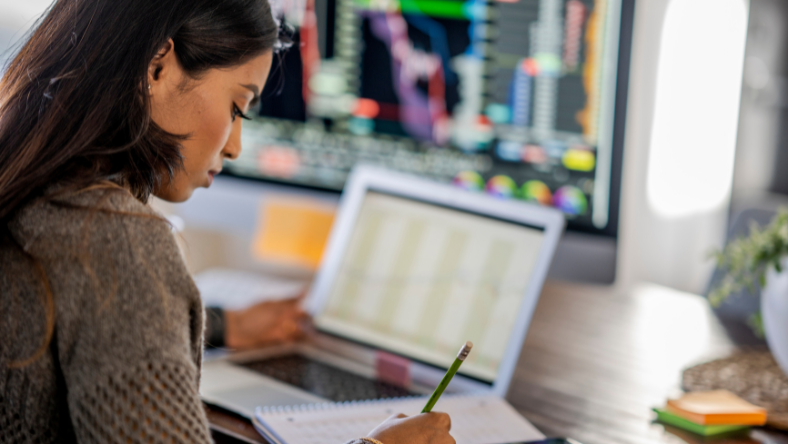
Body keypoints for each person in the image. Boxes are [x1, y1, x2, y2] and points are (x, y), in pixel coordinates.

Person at [0, 1, 456, 443]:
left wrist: (218, 326)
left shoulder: (26, 186)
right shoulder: (119, 244)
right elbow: (112, 283)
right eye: (238, 107)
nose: (235, 146)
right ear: (158, 64)